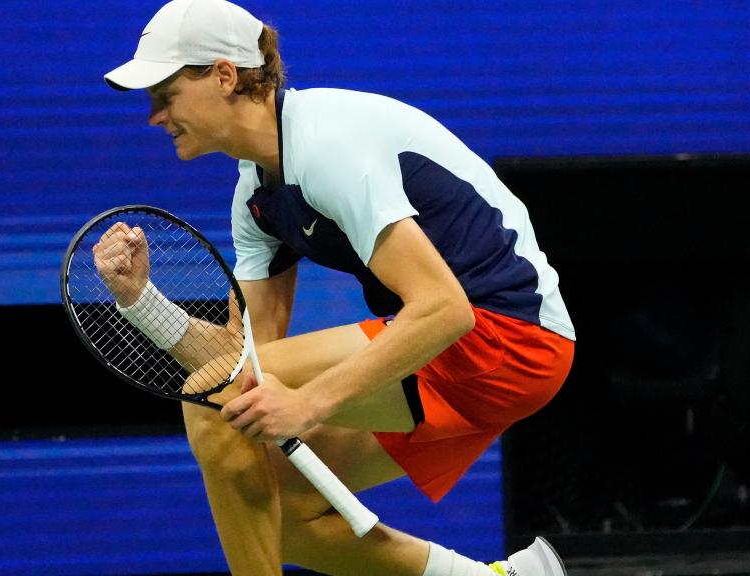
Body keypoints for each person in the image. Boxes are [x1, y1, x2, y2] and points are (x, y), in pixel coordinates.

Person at [94, 1, 576, 574]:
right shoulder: (256, 198)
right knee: (279, 513)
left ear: (224, 76)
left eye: (165, 94)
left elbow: (447, 310)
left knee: (208, 402)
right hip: (450, 356)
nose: (154, 116)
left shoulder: (327, 146)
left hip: (509, 338)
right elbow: (244, 363)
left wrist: (308, 403)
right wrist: (142, 303)